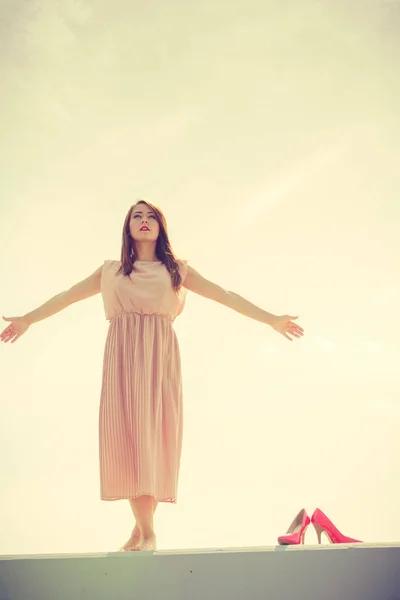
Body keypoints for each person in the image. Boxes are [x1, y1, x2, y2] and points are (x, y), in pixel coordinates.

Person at [1, 199, 304, 551]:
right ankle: (144, 530)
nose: (144, 221)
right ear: (127, 227)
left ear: (161, 227)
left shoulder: (177, 270)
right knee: (129, 442)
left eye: (151, 217)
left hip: (160, 360)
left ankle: (145, 531)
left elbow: (224, 295)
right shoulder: (109, 271)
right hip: (122, 361)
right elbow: (67, 296)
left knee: (153, 442)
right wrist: (27, 319)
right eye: (136, 217)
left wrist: (271, 319)